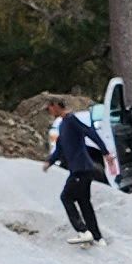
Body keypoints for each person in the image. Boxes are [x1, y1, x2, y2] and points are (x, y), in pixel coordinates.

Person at [48, 98, 112, 244]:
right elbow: (59, 148)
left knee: (66, 197)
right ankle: (97, 238)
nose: (50, 112)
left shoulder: (71, 120)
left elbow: (89, 132)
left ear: (57, 106)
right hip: (80, 169)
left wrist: (105, 151)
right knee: (84, 202)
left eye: (50, 108)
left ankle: (83, 231)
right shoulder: (63, 125)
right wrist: (49, 162)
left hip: (81, 170)